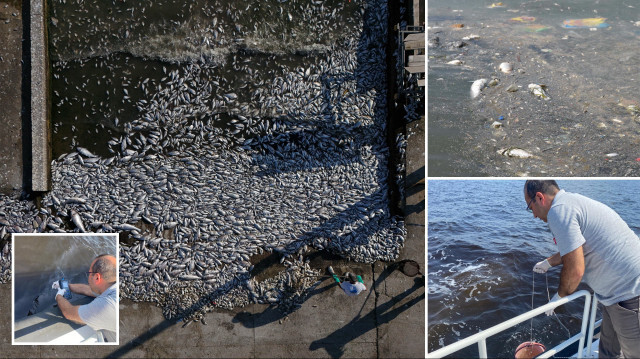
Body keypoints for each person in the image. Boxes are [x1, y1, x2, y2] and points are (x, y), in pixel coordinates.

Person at [524, 180, 640, 357]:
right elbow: (576, 249)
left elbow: (576, 270)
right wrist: (549, 262)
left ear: (539, 198)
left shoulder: (558, 211)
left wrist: (559, 297)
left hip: (629, 294)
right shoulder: (571, 202)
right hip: (612, 295)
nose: (533, 215)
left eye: (530, 207)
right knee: (608, 350)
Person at [52, 254, 117, 342]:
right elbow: (88, 290)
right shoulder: (113, 286)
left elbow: (68, 312)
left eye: (89, 273)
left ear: (97, 277)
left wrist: (58, 296)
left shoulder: (107, 305)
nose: (88, 276)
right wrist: (66, 286)